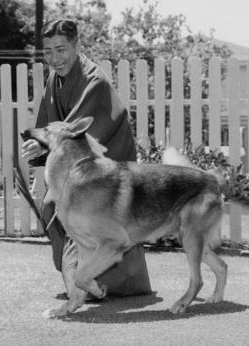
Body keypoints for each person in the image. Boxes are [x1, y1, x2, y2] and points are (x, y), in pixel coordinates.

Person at [22, 19, 151, 298]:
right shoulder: (54, 80)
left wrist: (45, 147)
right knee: (53, 208)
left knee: (73, 211)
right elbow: (50, 125)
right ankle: (84, 279)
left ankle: (98, 283)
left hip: (108, 162)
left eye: (61, 49)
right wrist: (38, 144)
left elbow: (77, 129)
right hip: (80, 164)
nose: (54, 59)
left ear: (77, 45)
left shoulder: (96, 81)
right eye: (47, 52)